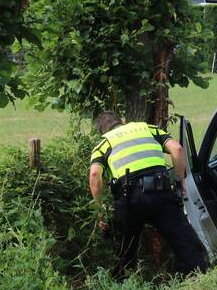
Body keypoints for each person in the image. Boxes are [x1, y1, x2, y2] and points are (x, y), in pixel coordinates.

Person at [89, 111, 208, 275]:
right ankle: (201, 276)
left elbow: (95, 174)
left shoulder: (104, 143)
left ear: (102, 131)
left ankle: (124, 285)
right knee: (184, 241)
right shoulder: (148, 128)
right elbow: (177, 149)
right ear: (122, 121)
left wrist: (100, 210)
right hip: (161, 191)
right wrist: (180, 179)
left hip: (129, 199)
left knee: (125, 251)